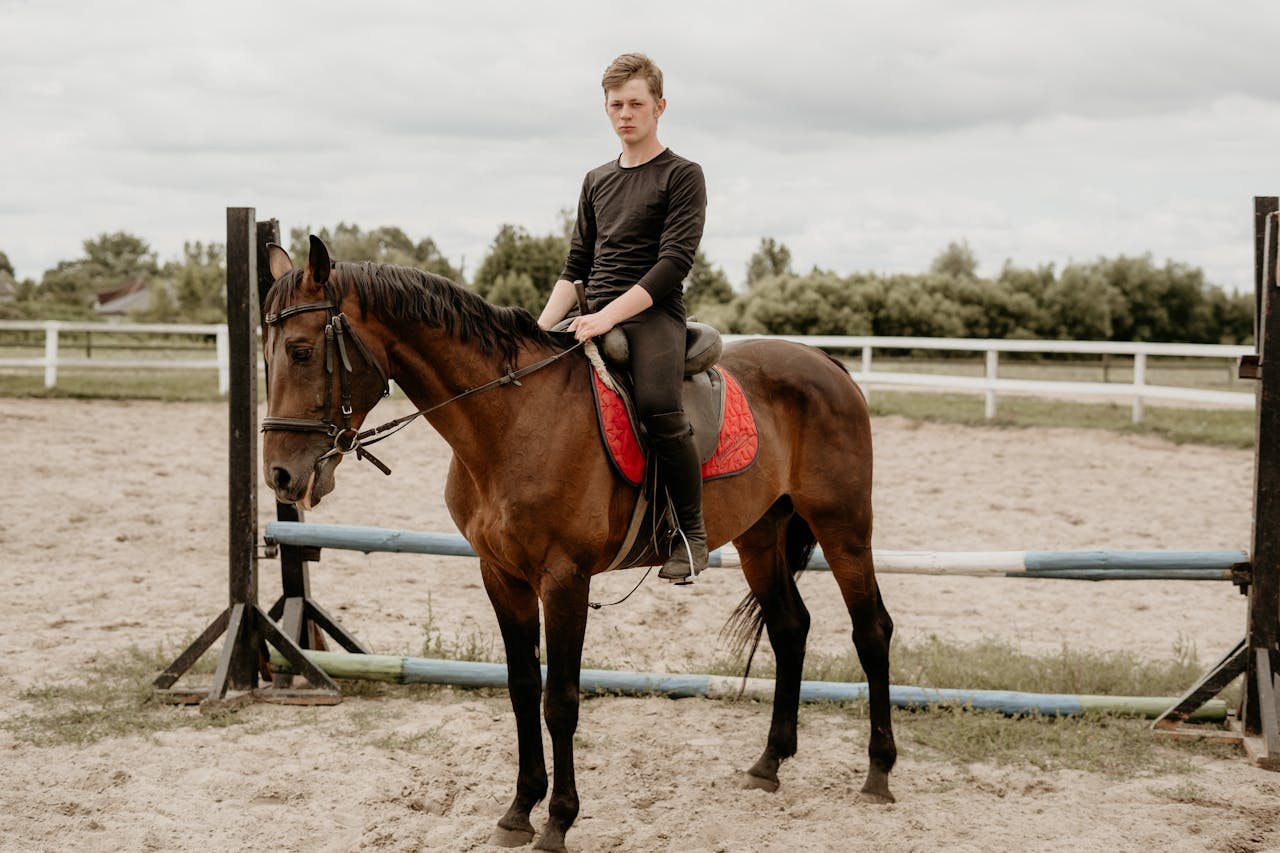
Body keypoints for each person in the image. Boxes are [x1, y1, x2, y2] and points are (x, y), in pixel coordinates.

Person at [537, 52, 708, 583]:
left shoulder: (682, 175)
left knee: (659, 406)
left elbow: (673, 264)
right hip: (594, 312)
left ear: (659, 106)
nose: (625, 113)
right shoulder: (596, 180)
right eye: (616, 105)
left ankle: (691, 533)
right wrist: (540, 328)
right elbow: (575, 267)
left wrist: (607, 317)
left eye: (636, 103)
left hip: (652, 314)